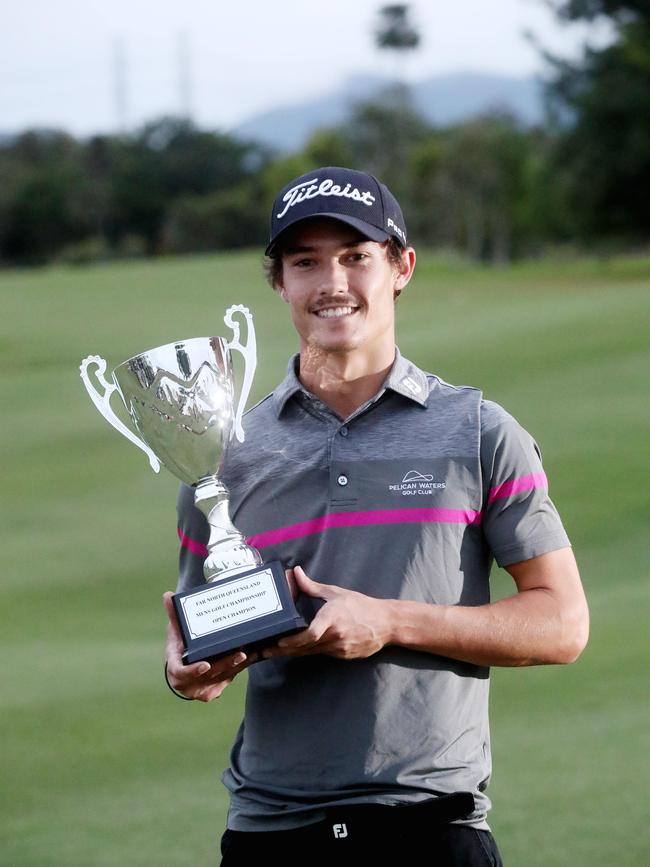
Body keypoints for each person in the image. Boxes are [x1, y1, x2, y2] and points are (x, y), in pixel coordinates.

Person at [163, 167, 589, 866]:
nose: (332, 281)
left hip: (429, 827)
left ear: (401, 267)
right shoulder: (223, 456)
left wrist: (387, 620)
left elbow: (564, 625)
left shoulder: (479, 431)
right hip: (270, 833)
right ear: (279, 282)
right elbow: (198, 631)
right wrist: (186, 668)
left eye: (356, 256)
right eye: (306, 261)